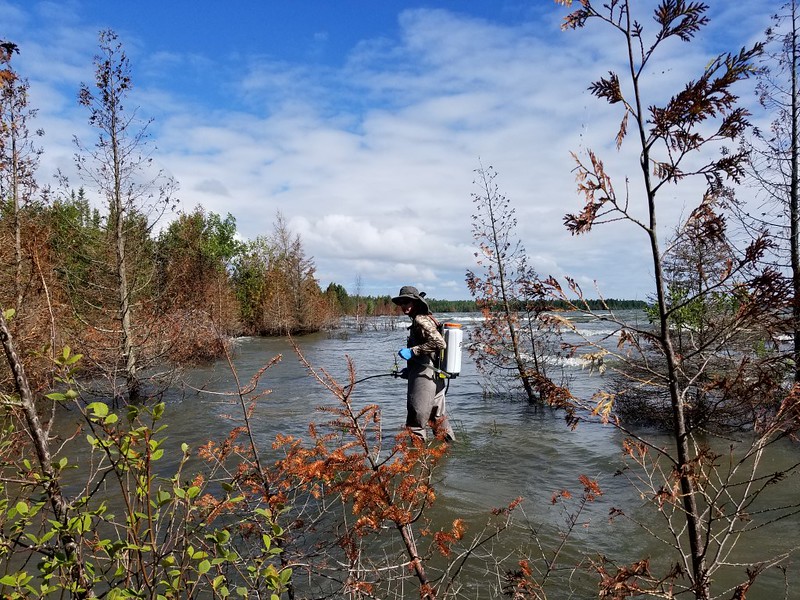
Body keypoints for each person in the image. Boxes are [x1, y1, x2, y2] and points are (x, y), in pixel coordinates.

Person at [392, 286, 455, 442]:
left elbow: (440, 343)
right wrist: (409, 369)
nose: (403, 306)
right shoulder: (424, 318)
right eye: (401, 303)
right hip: (435, 373)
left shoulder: (420, 319)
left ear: (415, 302)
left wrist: (412, 352)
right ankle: (450, 454)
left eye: (407, 301)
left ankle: (416, 460)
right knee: (437, 419)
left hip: (425, 374)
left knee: (416, 419)